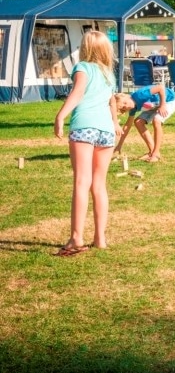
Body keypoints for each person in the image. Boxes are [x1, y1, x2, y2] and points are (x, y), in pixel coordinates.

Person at [53, 30, 121, 256]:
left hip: (84, 127)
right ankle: (100, 238)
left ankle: (76, 238)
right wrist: (115, 123)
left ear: (85, 47)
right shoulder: (108, 74)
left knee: (82, 181)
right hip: (106, 132)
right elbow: (112, 101)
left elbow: (78, 93)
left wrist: (61, 116)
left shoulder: (82, 68)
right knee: (99, 185)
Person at [114, 83, 175, 162]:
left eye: (125, 103)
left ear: (126, 96)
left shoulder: (140, 95)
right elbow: (127, 126)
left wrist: (163, 105)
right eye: (124, 109)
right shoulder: (132, 108)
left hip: (169, 100)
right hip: (154, 105)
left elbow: (160, 87)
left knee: (157, 120)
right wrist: (119, 146)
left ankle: (156, 153)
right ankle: (152, 152)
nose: (127, 106)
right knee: (138, 122)